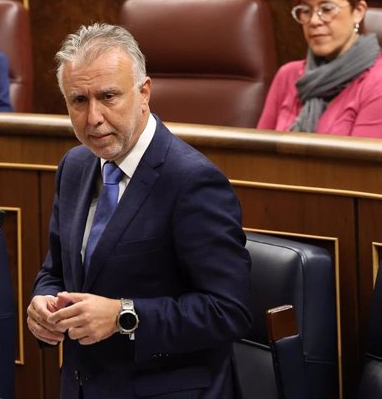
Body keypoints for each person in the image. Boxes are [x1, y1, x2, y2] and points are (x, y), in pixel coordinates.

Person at [27, 24, 252, 398]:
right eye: (78, 101)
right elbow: (57, 270)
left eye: (108, 96)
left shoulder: (192, 181)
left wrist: (122, 316)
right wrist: (44, 302)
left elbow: (229, 310)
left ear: (144, 92)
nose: (93, 117)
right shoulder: (75, 166)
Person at [257, 0, 382, 137]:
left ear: (358, 11)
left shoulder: (376, 83)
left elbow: (361, 165)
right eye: (306, 11)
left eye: (327, 9)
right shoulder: (287, 76)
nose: (314, 21)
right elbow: (258, 154)